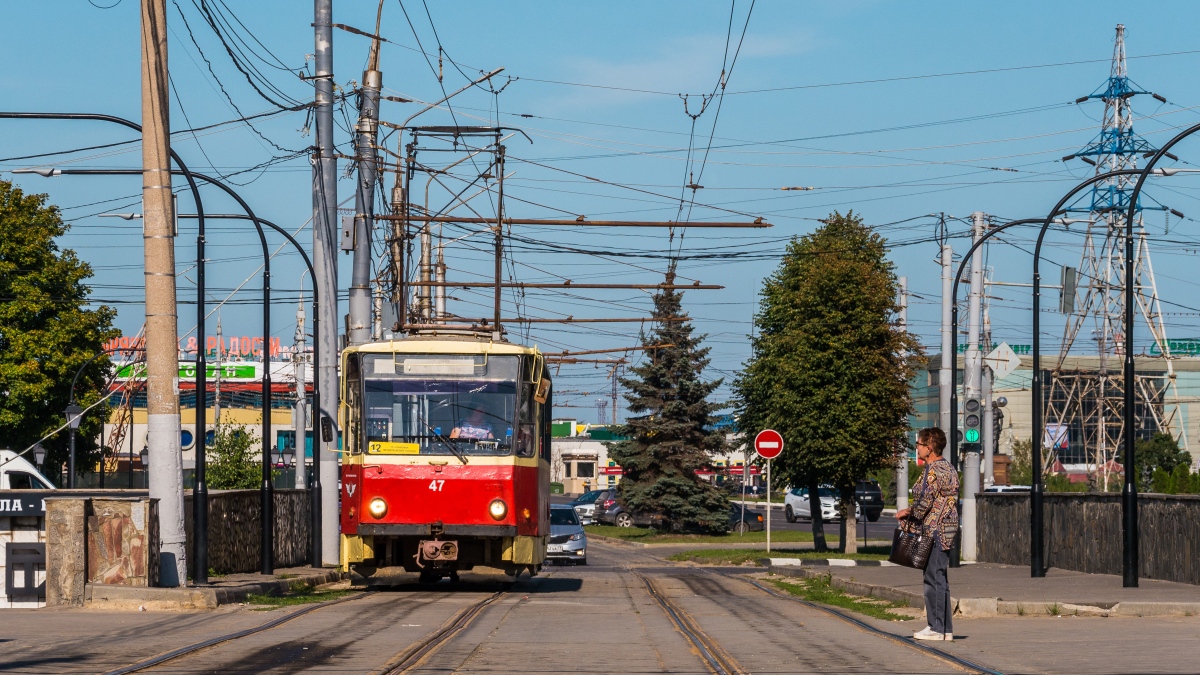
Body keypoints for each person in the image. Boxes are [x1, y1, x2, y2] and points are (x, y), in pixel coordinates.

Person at [895, 426, 959, 642]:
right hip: (947, 529)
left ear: (930, 447)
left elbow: (925, 502)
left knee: (933, 578)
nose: (917, 448)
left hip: (933, 530)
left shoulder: (932, 471)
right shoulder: (948, 468)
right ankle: (945, 629)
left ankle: (936, 627)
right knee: (940, 578)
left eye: (920, 444)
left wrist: (907, 513)